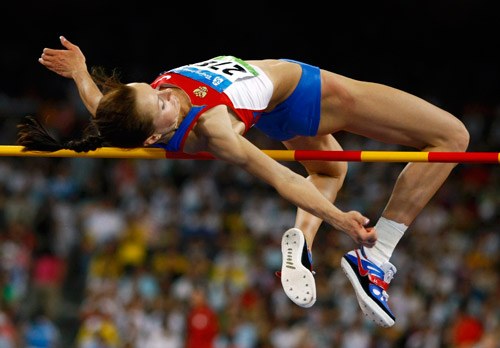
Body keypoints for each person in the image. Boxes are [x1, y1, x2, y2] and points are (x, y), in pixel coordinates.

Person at [17, 36, 469, 328]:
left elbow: (100, 104)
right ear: (156, 136)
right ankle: (376, 256)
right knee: (452, 135)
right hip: (310, 92)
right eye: (160, 103)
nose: (166, 93)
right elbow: (279, 177)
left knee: (331, 167)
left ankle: (302, 244)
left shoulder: (126, 120)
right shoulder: (214, 129)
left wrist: (79, 70)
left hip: (268, 109)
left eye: (151, 87)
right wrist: (341, 221)